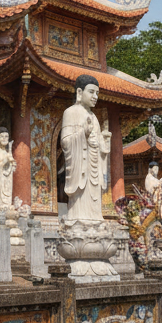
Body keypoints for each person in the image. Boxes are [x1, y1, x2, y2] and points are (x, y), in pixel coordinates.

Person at [60, 75, 110, 222]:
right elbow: (65, 142)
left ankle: (95, 218)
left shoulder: (94, 117)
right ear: (80, 93)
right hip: (80, 166)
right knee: (81, 199)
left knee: (94, 195)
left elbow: (99, 144)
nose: (95, 97)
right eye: (91, 92)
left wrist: (104, 142)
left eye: (97, 93)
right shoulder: (71, 112)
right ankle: (78, 219)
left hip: (94, 164)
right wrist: (83, 134)